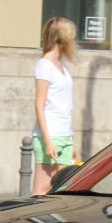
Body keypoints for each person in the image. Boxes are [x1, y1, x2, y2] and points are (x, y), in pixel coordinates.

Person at [31, 16, 78, 195]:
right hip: (49, 136)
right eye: (71, 34)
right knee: (42, 191)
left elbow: (65, 105)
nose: (74, 38)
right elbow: (39, 106)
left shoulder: (62, 66)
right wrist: (48, 141)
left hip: (64, 135)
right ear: (62, 37)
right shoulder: (45, 65)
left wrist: (71, 140)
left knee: (62, 189)